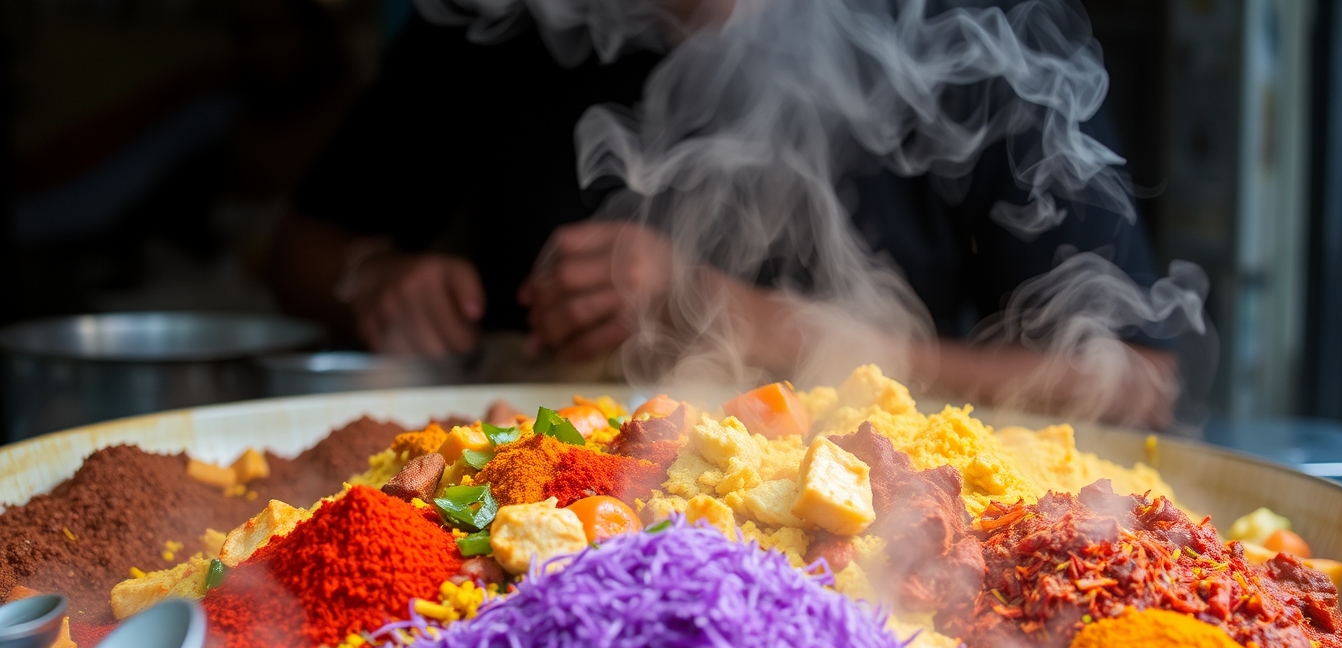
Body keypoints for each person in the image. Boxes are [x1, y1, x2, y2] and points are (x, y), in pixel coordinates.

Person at [268, 6, 1178, 426]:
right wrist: (375, 281)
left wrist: (747, 322)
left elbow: (1138, 382)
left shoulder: (975, 31)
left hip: (883, 521)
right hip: (532, 496)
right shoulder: (497, 20)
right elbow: (296, 250)